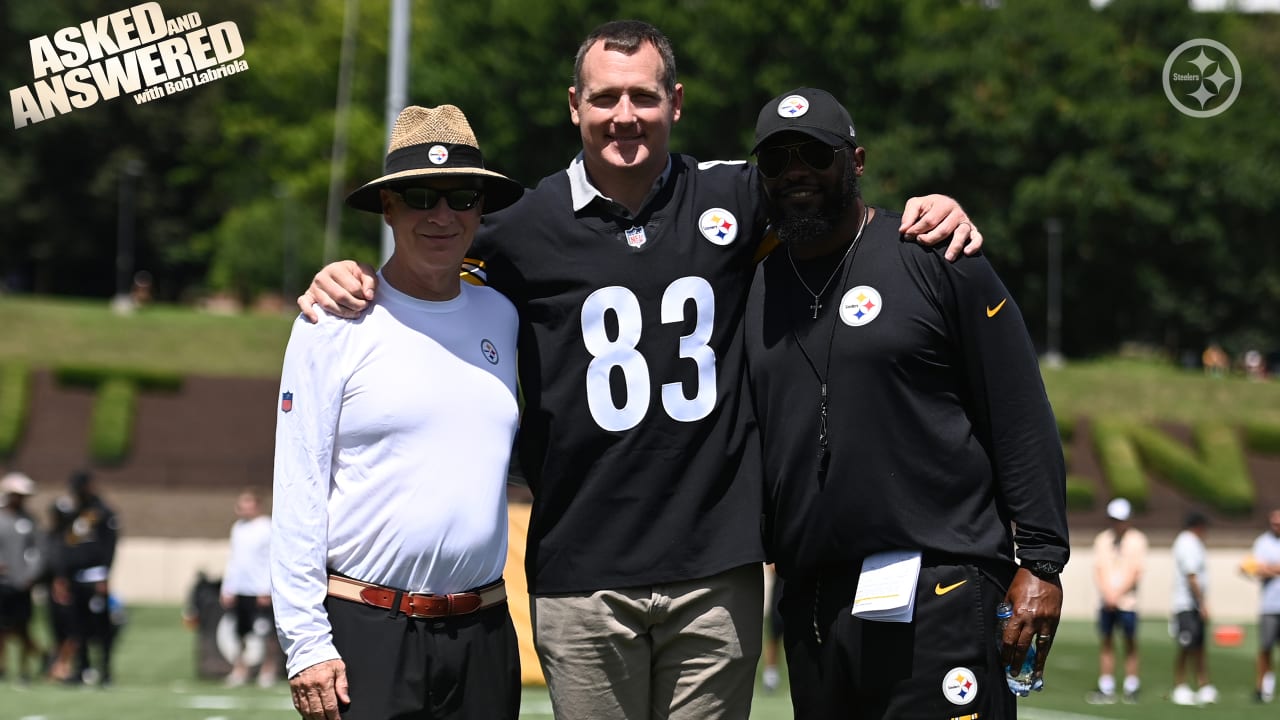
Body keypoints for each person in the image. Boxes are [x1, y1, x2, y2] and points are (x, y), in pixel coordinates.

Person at [298, 20, 983, 719]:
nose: (624, 115)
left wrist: (925, 209)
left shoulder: (738, 196)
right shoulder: (518, 226)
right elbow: (424, 270)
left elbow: (832, 204)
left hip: (716, 565)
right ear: (574, 106)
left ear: (675, 103)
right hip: (582, 569)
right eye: (604, 99)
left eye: (643, 97)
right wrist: (346, 277)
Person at [741, 87, 1069, 719]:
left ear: (856, 160)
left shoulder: (936, 254)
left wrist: (1043, 562)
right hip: (813, 602)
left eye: (814, 152)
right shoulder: (752, 285)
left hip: (940, 588)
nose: (795, 171)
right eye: (776, 159)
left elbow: (1019, 410)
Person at [271, 103, 525, 720]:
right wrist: (305, 643)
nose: (442, 215)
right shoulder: (331, 321)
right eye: (419, 197)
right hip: (368, 632)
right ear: (387, 207)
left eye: (461, 196)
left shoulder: (504, 316)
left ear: (480, 209)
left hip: (486, 634)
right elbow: (298, 484)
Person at [47, 469, 120, 686]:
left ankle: (105, 670)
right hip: (74, 578)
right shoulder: (71, 513)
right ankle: (83, 668)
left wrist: (105, 575)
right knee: (76, 627)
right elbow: (62, 545)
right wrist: (61, 576)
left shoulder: (103, 512)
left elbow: (110, 546)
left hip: (95, 577)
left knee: (101, 626)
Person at [1087, 497, 1147, 704]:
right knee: (1107, 642)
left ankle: (1131, 685)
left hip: (1127, 602)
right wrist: (1108, 594)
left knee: (1130, 642)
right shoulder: (1103, 539)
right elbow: (1098, 569)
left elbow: (1136, 571)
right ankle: (1107, 685)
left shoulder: (1137, 540)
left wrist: (1118, 593)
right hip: (1107, 600)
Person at [220, 489, 278, 688]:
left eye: (248, 505)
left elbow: (272, 559)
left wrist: (266, 588)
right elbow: (234, 560)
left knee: (266, 632)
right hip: (240, 589)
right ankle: (241, 669)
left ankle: (268, 670)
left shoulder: (267, 527)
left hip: (260, 591)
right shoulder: (238, 528)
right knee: (239, 632)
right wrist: (227, 588)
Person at [0, 472, 46, 684]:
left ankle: (25, 669)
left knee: (23, 628)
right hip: (2, 583)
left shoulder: (29, 521)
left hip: (21, 584)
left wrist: (31, 575)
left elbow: (37, 551)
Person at [1171, 510, 1214, 706]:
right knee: (1186, 645)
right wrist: (1202, 601)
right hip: (1186, 604)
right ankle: (1180, 685)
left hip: (1194, 605)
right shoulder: (1186, 543)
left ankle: (1202, 683)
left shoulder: (1194, 543)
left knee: (1199, 645)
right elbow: (1191, 575)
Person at [1247, 508, 1280, 703]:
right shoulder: (1262, 542)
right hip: (1269, 605)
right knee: (1265, 648)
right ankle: (1261, 687)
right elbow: (1255, 568)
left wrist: (1270, 567)